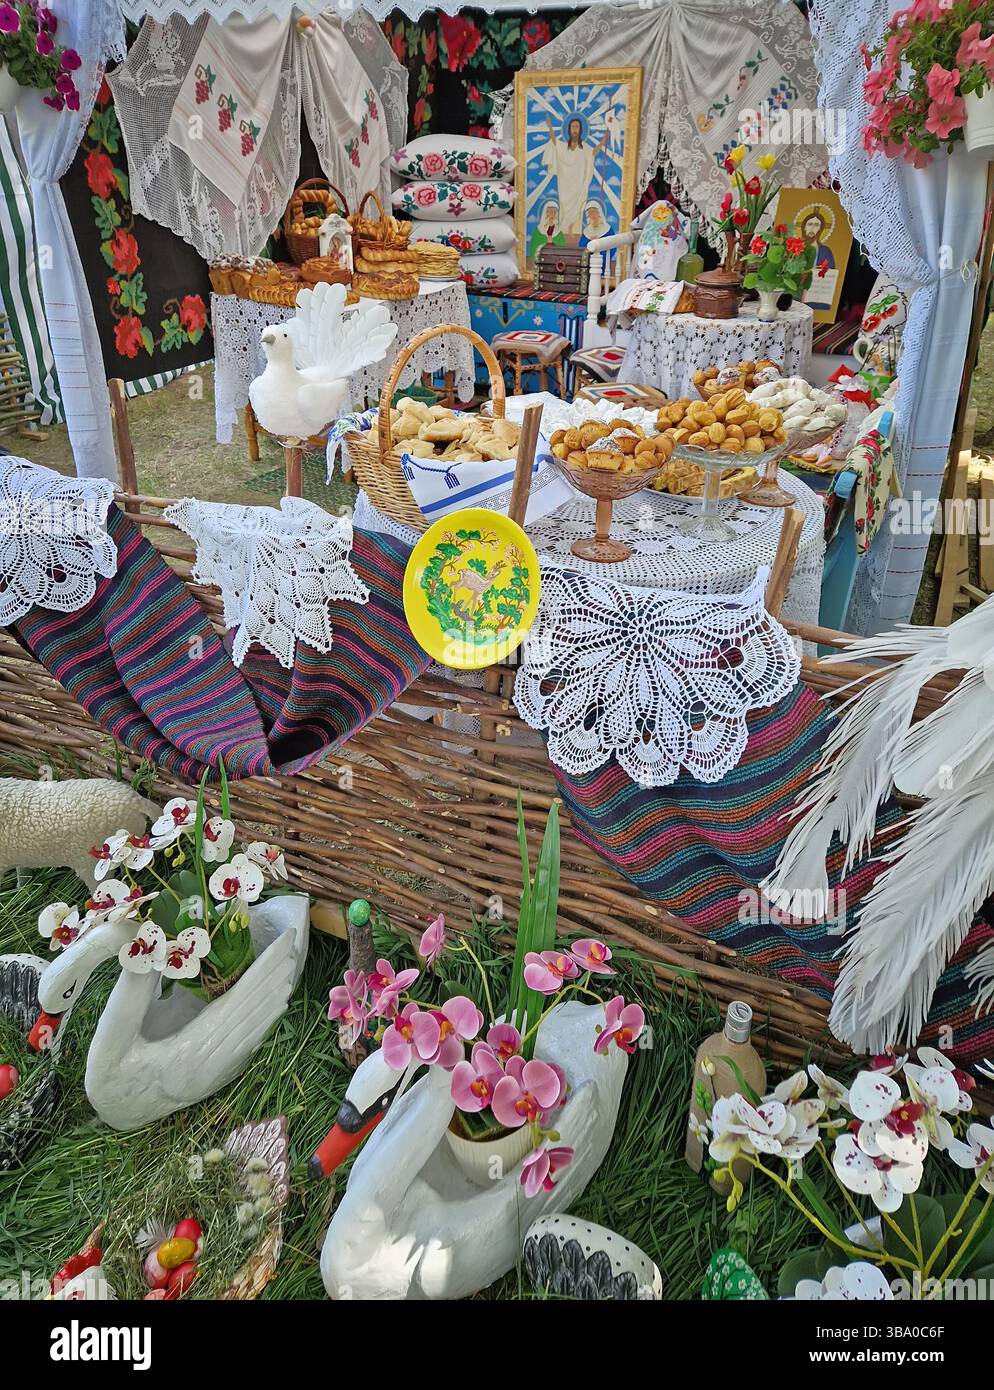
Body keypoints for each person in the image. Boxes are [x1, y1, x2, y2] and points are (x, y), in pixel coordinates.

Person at [541, 114, 608, 237]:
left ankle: (576, 235)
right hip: (565, 186)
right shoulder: (562, 147)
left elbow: (593, 152)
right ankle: (564, 236)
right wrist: (550, 126)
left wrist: (604, 140)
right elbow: (554, 143)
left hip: (579, 187)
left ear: (581, 130)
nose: (575, 129)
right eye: (573, 127)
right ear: (569, 129)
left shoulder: (585, 149)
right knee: (564, 211)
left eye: (577, 127)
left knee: (578, 212)